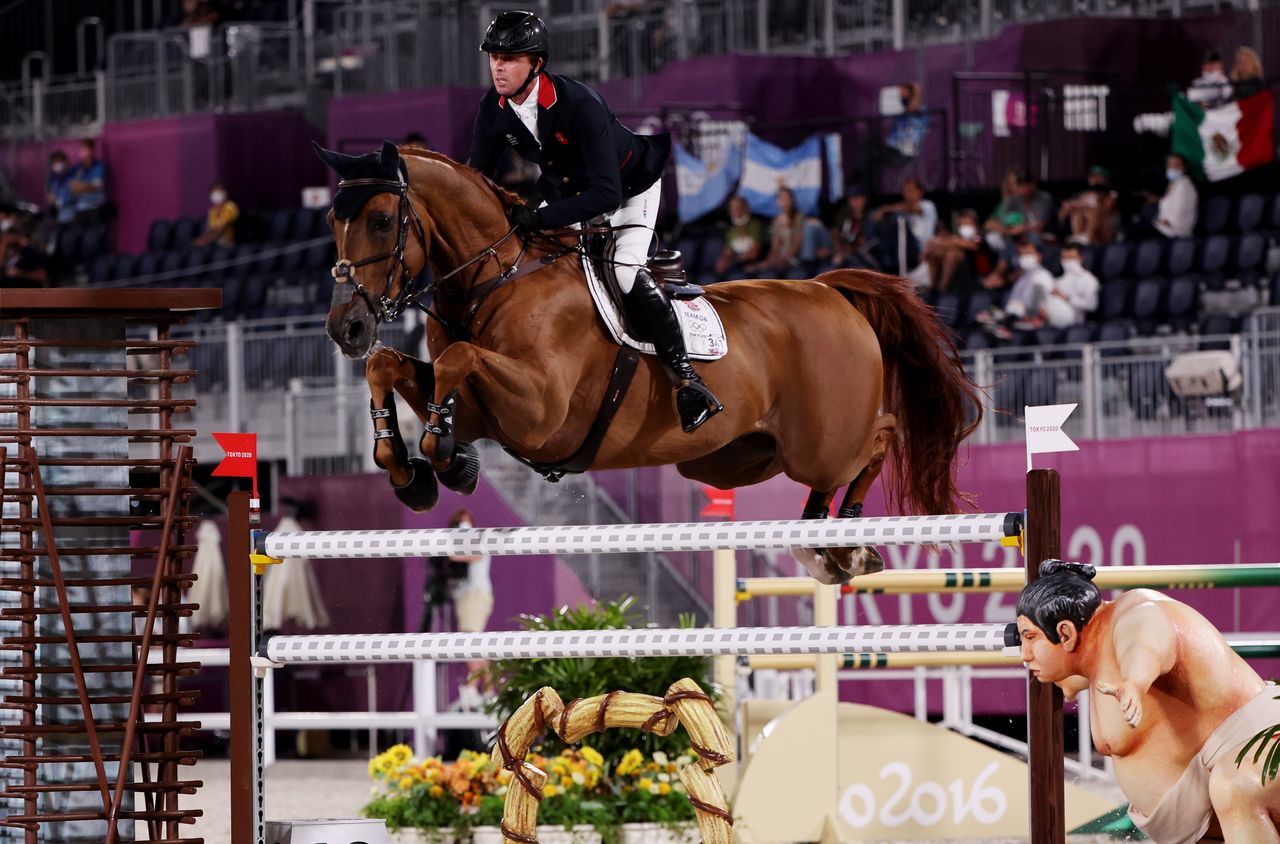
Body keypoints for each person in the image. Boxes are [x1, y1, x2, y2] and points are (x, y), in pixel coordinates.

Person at [467, 10, 722, 434]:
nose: (498, 65)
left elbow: (605, 193)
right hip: (567, 193)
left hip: (627, 190)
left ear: (537, 64)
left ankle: (688, 382)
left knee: (623, 270)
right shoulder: (493, 110)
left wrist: (541, 216)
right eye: (494, 56)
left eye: (510, 58)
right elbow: (475, 181)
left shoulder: (579, 103)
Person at [1017, 559, 1280, 843]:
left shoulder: (1136, 614)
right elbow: (1074, 676)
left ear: (1066, 633)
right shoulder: (1091, 650)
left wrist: (1136, 682)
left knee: (1236, 786)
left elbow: (1147, 640)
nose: (1024, 654)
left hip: (1265, 743)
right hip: (1205, 816)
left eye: (1030, 637)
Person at [744, 186, 831, 279]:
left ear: (792, 200)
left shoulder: (799, 217)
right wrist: (765, 263)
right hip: (780, 260)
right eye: (782, 198)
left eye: (787, 198)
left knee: (796, 276)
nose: (785, 201)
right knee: (765, 276)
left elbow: (798, 244)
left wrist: (784, 259)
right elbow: (775, 247)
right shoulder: (777, 221)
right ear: (778, 202)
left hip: (796, 261)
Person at [977, 237, 1054, 339]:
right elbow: (1013, 305)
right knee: (985, 319)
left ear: (1039, 256)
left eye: (1028, 253)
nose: (1024, 257)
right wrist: (998, 314)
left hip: (1035, 322)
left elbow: (1040, 308)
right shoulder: (1022, 278)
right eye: (1022, 254)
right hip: (1015, 319)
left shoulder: (1043, 276)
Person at [869, 177, 937, 273]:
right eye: (905, 191)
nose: (908, 194)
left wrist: (885, 209)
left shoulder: (927, 205)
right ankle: (878, 252)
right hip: (907, 248)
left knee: (899, 218)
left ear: (920, 192)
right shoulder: (902, 210)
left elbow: (912, 209)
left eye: (911, 190)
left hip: (922, 247)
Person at [919, 208, 988, 294]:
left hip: (976, 268)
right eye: (962, 222)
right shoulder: (955, 236)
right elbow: (942, 244)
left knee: (952, 254)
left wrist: (955, 241)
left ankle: (942, 288)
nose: (965, 224)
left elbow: (975, 246)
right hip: (951, 265)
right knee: (937, 253)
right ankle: (933, 286)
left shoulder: (979, 235)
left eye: (968, 222)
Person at [1138, 154, 1198, 240]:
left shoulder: (1184, 186)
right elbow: (1170, 203)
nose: (1171, 168)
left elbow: (1180, 211)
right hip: (1163, 227)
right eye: (1169, 165)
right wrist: (1159, 200)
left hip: (1174, 231)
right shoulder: (1175, 184)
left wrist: (1165, 222)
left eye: (1175, 165)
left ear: (1184, 168)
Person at [1058, 165, 1119, 246]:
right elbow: (1063, 213)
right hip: (1090, 232)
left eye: (1098, 177)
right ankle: (1078, 237)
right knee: (1077, 211)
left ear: (1106, 180)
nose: (1095, 180)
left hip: (1107, 230)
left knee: (1094, 210)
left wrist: (1079, 205)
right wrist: (1069, 207)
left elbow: (1104, 210)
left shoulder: (1112, 195)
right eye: (1093, 177)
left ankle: (1087, 237)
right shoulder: (1087, 195)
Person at [1045, 243, 1099, 328]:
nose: (1067, 261)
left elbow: (1091, 305)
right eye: (1064, 258)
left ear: (1080, 258)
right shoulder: (1058, 280)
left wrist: (1067, 298)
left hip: (1073, 321)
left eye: (1071, 258)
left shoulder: (1089, 279)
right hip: (1051, 318)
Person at [713, 195, 767, 279]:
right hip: (738, 266)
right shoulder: (731, 230)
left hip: (754, 265)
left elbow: (754, 253)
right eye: (732, 208)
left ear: (745, 208)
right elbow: (727, 253)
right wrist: (723, 262)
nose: (734, 210)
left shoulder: (756, 224)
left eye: (737, 207)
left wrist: (732, 261)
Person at [829, 186, 877, 269]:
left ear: (864, 199)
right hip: (845, 252)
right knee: (832, 264)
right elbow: (836, 231)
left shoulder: (871, 216)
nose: (855, 202)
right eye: (852, 199)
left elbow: (863, 243)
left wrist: (846, 250)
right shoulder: (845, 214)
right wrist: (838, 243)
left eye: (858, 198)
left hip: (864, 256)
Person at [68, 138, 108, 225]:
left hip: (95, 208)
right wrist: (88, 186)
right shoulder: (77, 168)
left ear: (92, 151)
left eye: (87, 149)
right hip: (79, 208)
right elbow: (72, 188)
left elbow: (96, 187)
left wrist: (80, 187)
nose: (84, 152)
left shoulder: (99, 166)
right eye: (82, 149)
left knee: (92, 237)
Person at [193, 181, 239, 248]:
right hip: (214, 243)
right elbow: (210, 229)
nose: (216, 194)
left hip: (228, 243)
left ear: (224, 192)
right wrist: (201, 240)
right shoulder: (212, 212)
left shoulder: (230, 207)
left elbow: (223, 228)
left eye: (219, 191)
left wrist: (205, 240)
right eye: (213, 192)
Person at [46, 150, 75, 225]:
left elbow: (76, 196)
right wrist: (51, 200)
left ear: (65, 162)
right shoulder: (54, 181)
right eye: (55, 162)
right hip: (58, 218)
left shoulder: (73, 177)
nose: (57, 164)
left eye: (59, 161)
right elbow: (51, 198)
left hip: (73, 218)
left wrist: (62, 201)